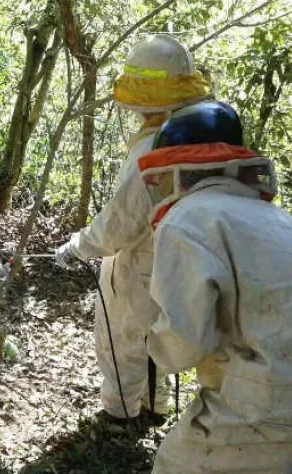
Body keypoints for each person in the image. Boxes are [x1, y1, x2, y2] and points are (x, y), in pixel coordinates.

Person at [136, 100, 292, 474]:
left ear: (175, 171)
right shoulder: (279, 220)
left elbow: (181, 346)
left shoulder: (188, 219)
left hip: (277, 400)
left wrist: (152, 343)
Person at [54, 34, 214, 422]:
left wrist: (78, 246)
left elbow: (120, 225)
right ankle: (155, 409)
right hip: (185, 260)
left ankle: (120, 416)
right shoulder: (203, 132)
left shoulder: (153, 149)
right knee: (158, 336)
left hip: (143, 260)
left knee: (123, 338)